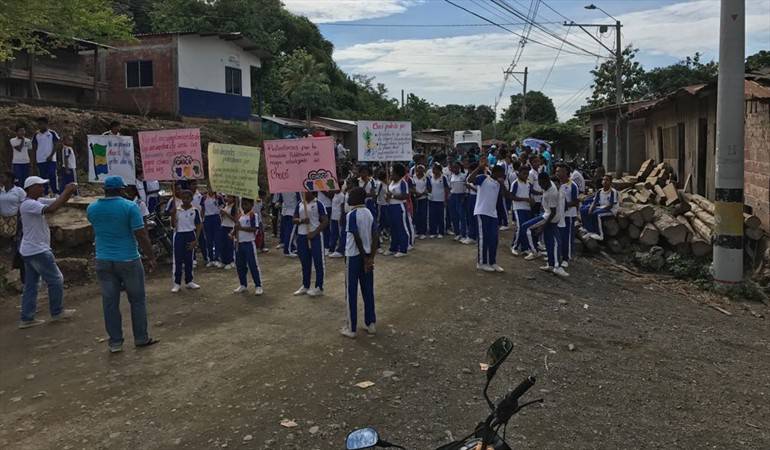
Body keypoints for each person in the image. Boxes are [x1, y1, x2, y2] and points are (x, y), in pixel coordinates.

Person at [87, 176, 158, 353]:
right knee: (137, 300)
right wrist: (150, 256)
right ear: (121, 189)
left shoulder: (92, 208)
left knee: (110, 302)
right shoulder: (129, 207)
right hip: (128, 259)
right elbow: (141, 234)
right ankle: (141, 338)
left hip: (103, 259)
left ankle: (115, 342)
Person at [17, 177, 77, 328]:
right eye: (40, 186)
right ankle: (57, 312)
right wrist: (67, 190)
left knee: (31, 285)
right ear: (31, 188)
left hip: (30, 249)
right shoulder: (29, 204)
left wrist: (69, 193)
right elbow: (52, 209)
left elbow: (58, 202)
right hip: (38, 249)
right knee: (56, 280)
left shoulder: (35, 201)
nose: (43, 188)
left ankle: (27, 317)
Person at [340, 187, 378, 338]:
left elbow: (355, 235)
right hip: (367, 255)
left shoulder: (351, 214)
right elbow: (375, 234)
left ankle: (351, 327)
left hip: (354, 256)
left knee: (351, 292)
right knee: (368, 290)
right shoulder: (368, 213)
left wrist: (363, 256)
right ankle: (371, 323)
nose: (348, 198)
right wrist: (370, 257)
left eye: (350, 196)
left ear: (356, 198)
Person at [525, 173, 568, 277]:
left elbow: (552, 212)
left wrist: (542, 227)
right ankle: (551, 264)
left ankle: (556, 266)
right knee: (549, 242)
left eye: (540, 183)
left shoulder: (552, 192)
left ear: (545, 181)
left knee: (527, 227)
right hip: (547, 215)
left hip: (550, 218)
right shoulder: (547, 185)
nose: (540, 186)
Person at [468, 159, 504, 273]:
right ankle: (481, 262)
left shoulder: (498, 183)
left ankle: (492, 262)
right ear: (496, 173)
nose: (502, 176)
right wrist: (479, 168)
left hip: (493, 213)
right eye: (501, 174)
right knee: (484, 238)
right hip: (482, 211)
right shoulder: (484, 178)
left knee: (494, 238)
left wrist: (503, 184)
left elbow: (504, 196)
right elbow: (470, 180)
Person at [293, 191, 329, 297]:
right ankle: (305, 285)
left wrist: (315, 232)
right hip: (302, 235)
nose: (303, 193)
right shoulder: (300, 204)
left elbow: (325, 221)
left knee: (318, 262)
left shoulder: (318, 204)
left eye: (305, 191)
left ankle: (319, 287)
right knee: (305, 262)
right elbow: (294, 219)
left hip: (315, 236)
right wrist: (301, 220)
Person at [170, 190, 202, 293]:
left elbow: (198, 225)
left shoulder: (195, 210)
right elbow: (173, 225)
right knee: (178, 260)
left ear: (191, 199)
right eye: (183, 198)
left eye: (187, 198)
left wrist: (196, 240)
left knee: (189, 259)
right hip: (179, 234)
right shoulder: (177, 210)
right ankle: (177, 283)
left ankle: (189, 281)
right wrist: (172, 215)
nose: (185, 200)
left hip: (190, 234)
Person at [233, 197, 264, 296]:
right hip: (239, 243)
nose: (244, 206)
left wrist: (241, 228)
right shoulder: (239, 215)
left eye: (246, 204)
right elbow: (236, 228)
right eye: (243, 204)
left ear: (251, 205)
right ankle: (243, 284)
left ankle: (258, 285)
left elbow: (254, 229)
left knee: (253, 265)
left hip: (249, 243)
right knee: (240, 265)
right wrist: (232, 233)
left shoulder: (253, 215)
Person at [0, 172, 26, 282]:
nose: (1, 178)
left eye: (2, 177)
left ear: (10, 178)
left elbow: (24, 204)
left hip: (16, 219)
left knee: (17, 242)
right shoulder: (0, 190)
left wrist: (20, 218)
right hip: (2, 220)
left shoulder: (18, 191)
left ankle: (18, 266)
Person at [385, 164, 410, 257]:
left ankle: (403, 248)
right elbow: (388, 195)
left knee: (401, 228)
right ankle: (393, 247)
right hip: (390, 206)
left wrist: (392, 196)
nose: (391, 174)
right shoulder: (391, 182)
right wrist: (387, 197)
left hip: (399, 207)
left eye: (393, 173)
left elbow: (405, 196)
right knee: (393, 228)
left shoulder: (403, 183)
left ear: (398, 174)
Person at [584, 175, 619, 241]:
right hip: (602, 207)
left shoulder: (613, 192)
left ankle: (600, 235)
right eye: (603, 180)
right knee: (586, 210)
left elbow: (610, 205)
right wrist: (590, 209)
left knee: (597, 214)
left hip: (611, 210)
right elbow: (594, 202)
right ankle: (590, 230)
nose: (605, 181)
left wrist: (598, 209)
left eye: (607, 180)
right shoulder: (600, 191)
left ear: (610, 182)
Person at [556, 164, 579, 268]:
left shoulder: (572, 186)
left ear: (566, 173)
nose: (558, 173)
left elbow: (575, 202)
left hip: (569, 215)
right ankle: (558, 254)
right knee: (558, 236)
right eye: (557, 171)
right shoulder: (557, 184)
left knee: (567, 237)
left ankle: (566, 258)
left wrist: (564, 204)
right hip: (559, 214)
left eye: (560, 171)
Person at [31, 117, 60, 195]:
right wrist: (33, 161)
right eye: (38, 124)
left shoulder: (52, 133)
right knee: (43, 177)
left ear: (46, 124)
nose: (39, 125)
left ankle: (55, 191)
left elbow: (56, 145)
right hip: (40, 159)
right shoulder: (36, 134)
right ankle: (45, 192)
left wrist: (51, 155)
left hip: (51, 159)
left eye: (41, 124)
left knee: (52, 174)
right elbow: (34, 148)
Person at [510, 165, 533, 256]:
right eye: (524, 174)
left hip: (527, 208)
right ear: (519, 173)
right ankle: (514, 246)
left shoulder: (528, 184)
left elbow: (530, 194)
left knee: (526, 228)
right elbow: (512, 196)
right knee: (520, 227)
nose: (526, 176)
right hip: (518, 207)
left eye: (527, 174)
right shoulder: (515, 183)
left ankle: (525, 247)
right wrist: (524, 199)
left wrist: (531, 201)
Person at [448, 161, 470, 244]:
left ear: (460, 168)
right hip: (453, 196)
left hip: (461, 196)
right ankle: (457, 233)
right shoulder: (451, 176)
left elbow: (467, 187)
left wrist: (464, 197)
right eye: (454, 168)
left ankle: (464, 234)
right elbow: (451, 187)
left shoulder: (464, 176)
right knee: (454, 216)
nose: (455, 169)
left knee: (462, 216)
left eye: (457, 167)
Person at [426, 163, 449, 239]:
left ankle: (441, 232)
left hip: (441, 200)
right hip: (432, 199)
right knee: (432, 216)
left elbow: (446, 189)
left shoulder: (443, 177)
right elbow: (429, 188)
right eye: (432, 169)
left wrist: (445, 200)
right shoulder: (430, 177)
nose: (433, 170)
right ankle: (433, 232)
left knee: (441, 217)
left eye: (434, 169)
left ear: (439, 170)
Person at [202, 190, 223, 267]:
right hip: (207, 218)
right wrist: (202, 219)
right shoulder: (204, 197)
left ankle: (217, 258)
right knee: (208, 239)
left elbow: (221, 208)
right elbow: (203, 209)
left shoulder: (218, 197)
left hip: (216, 217)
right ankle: (210, 258)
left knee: (217, 238)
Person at [277, 192, 300, 257]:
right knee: (290, 233)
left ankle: (292, 247)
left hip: (285, 211)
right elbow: (299, 200)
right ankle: (287, 250)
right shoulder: (296, 189)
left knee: (289, 232)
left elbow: (280, 200)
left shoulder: (283, 190)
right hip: (293, 212)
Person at [218, 195, 238, 269]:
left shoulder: (235, 207)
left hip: (230, 227)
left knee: (229, 245)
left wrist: (226, 214)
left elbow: (235, 219)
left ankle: (230, 261)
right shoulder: (226, 205)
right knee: (223, 244)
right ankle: (224, 260)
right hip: (223, 225)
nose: (228, 198)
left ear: (233, 198)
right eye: (227, 197)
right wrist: (222, 213)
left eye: (230, 197)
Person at [412, 165, 429, 239]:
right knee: (416, 215)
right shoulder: (413, 177)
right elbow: (411, 187)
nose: (419, 171)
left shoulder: (426, 178)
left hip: (423, 198)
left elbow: (429, 188)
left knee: (423, 215)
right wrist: (416, 193)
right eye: (418, 169)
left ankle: (423, 232)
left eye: (421, 169)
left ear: (424, 170)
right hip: (415, 198)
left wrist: (421, 194)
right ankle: (418, 231)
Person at [328, 189, 345, 258]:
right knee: (333, 233)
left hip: (338, 217)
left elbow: (342, 207)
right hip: (333, 217)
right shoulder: (335, 194)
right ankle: (332, 248)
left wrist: (341, 217)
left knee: (340, 234)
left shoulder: (341, 195)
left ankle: (340, 250)